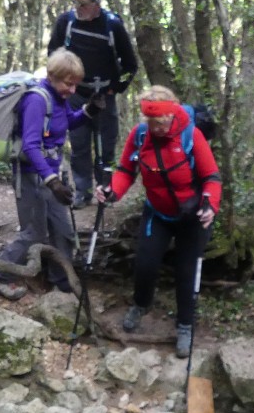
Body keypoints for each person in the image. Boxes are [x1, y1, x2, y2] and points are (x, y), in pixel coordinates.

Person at [94, 85, 222, 358]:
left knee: (186, 272)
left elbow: (211, 176)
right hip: (158, 213)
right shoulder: (140, 136)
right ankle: (141, 304)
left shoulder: (192, 135)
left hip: (192, 216)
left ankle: (185, 325)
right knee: (146, 263)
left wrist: (210, 203)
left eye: (162, 123)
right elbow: (126, 170)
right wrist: (112, 191)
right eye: (153, 123)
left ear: (172, 115)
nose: (158, 129)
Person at [0, 48, 100, 301]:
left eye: (75, 85)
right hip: (31, 176)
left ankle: (62, 283)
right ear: (51, 76)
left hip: (52, 175)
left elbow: (65, 122)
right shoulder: (37, 99)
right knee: (33, 232)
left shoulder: (58, 97)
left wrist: (88, 111)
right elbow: (30, 145)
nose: (72, 90)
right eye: (68, 84)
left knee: (63, 232)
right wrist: (52, 181)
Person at [48, 0, 138, 209]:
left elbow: (130, 65)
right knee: (78, 144)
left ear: (96, 4)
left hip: (104, 94)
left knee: (105, 146)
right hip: (75, 93)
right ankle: (82, 192)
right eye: (76, 3)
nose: (78, 9)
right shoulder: (66, 22)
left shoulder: (112, 25)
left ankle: (105, 190)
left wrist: (114, 89)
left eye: (83, 4)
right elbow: (53, 55)